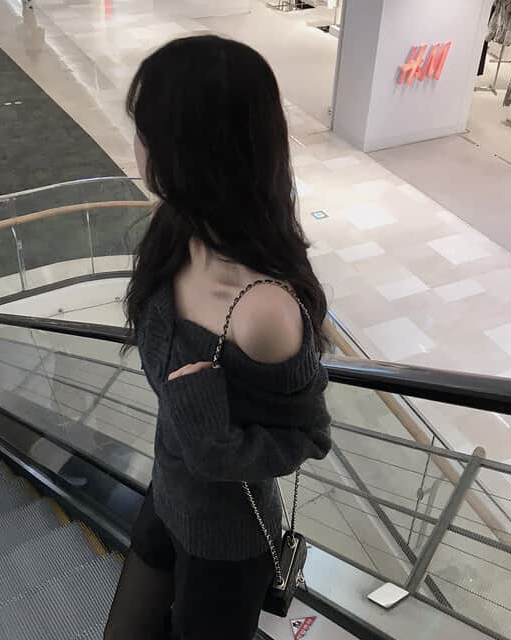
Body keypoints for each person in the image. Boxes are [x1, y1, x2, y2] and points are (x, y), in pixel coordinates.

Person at [104, 35, 332, 640]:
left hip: (228, 544)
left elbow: (309, 436)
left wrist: (213, 445)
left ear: (191, 152)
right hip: (166, 498)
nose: (136, 146)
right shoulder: (174, 233)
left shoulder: (263, 311)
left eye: (145, 133)